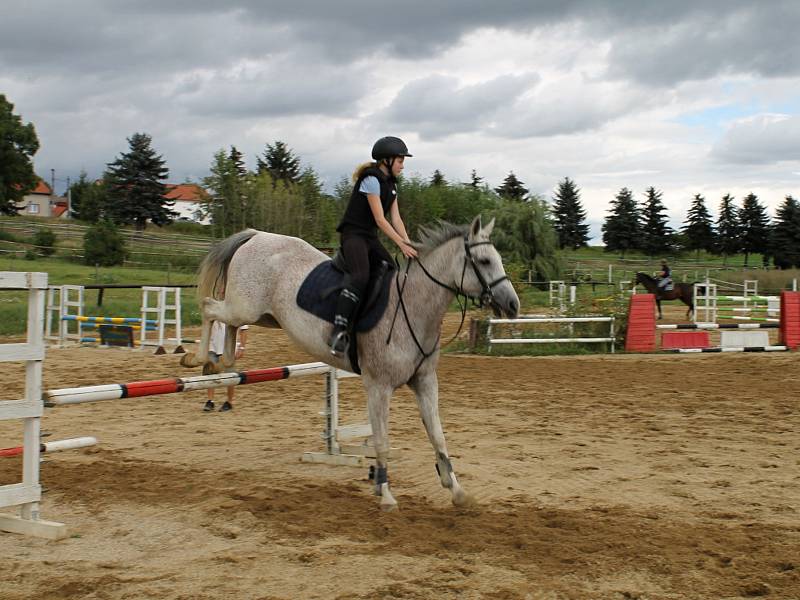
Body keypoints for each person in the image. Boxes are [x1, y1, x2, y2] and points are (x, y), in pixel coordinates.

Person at [329, 136, 418, 357]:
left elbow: (396, 219)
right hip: (353, 236)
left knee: (392, 272)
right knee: (361, 275)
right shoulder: (371, 180)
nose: (403, 165)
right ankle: (338, 330)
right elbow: (380, 219)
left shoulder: (392, 185)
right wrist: (400, 244)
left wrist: (409, 244)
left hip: (369, 238)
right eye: (400, 160)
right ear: (387, 160)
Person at [203, 321, 248, 412]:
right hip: (213, 347)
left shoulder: (236, 309)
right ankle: (210, 400)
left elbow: (244, 328)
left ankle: (229, 402)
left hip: (229, 348)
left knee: (230, 376)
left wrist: (242, 347)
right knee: (209, 374)